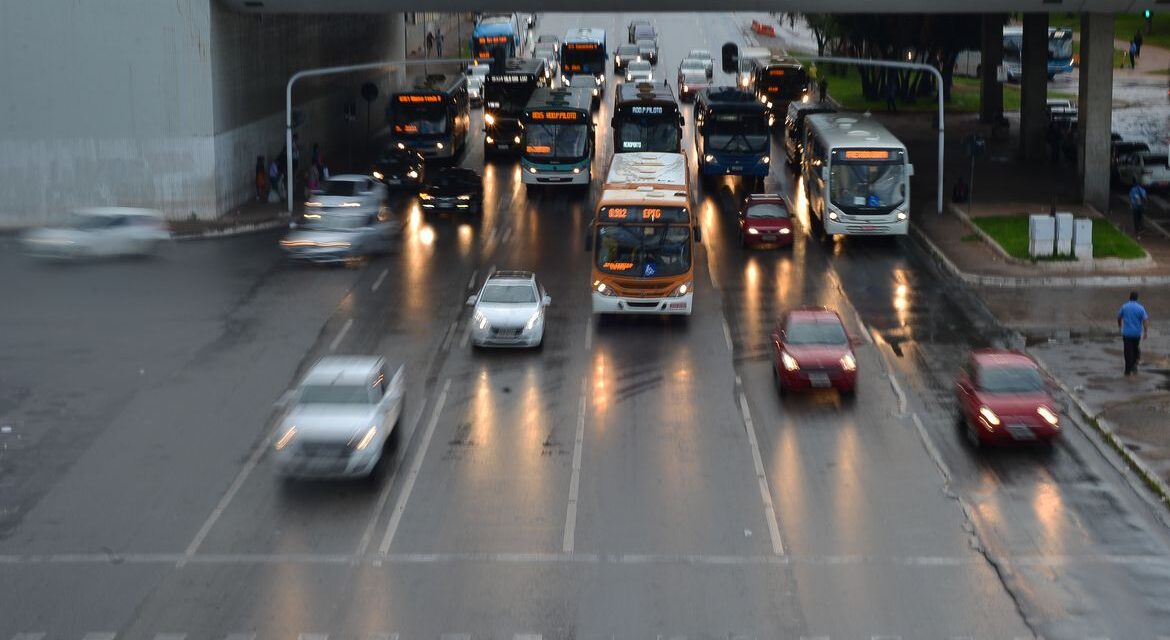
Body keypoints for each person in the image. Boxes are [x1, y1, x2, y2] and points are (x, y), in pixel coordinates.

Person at [1118, 291, 1150, 376]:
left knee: (1127, 351)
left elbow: (1119, 317)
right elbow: (1145, 320)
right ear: (1137, 298)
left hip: (1127, 333)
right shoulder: (1140, 308)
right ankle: (1134, 365)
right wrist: (1146, 331)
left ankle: (1128, 369)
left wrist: (1120, 326)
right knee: (1135, 348)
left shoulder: (1124, 307)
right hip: (1136, 334)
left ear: (1129, 297)